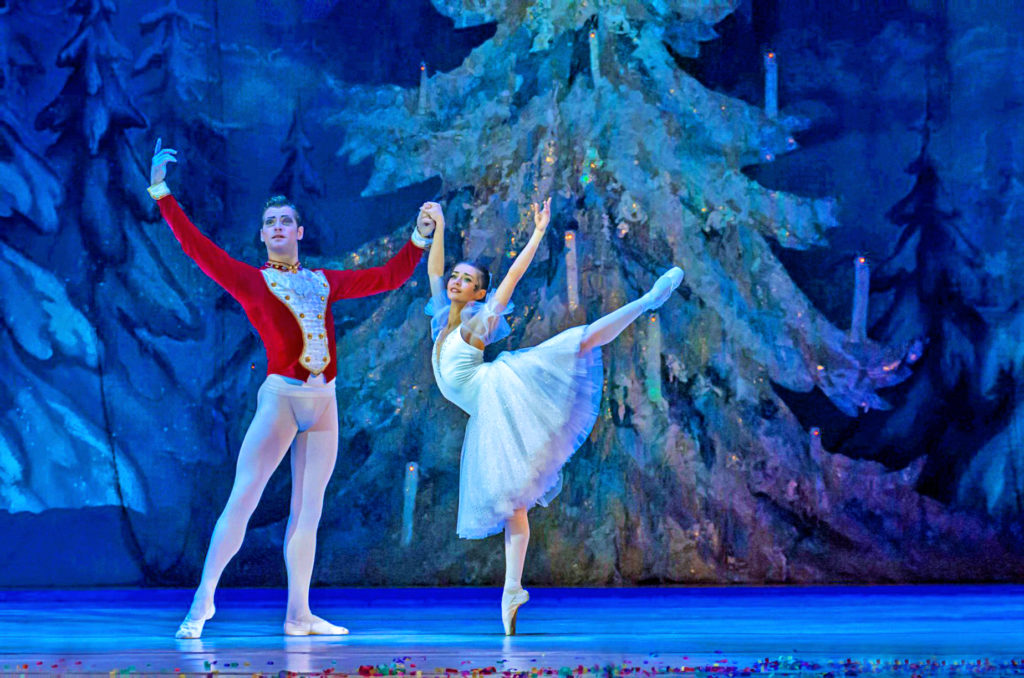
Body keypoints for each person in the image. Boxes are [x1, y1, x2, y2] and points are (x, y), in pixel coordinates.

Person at [147, 139, 435, 639]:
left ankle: (298, 614)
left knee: (309, 510)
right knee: (244, 498)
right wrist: (160, 191)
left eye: (286, 221)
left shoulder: (324, 280)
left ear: (299, 231)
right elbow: (196, 246)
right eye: (270, 223)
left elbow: (387, 277)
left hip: (324, 404)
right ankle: (202, 602)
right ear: (262, 237)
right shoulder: (251, 280)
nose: (278, 228)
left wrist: (420, 235)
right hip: (281, 399)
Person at [420, 198, 683, 635]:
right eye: (457, 275)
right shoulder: (439, 320)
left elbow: (511, 278)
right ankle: (511, 590)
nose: (455, 280)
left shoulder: (476, 325)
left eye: (467, 279)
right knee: (514, 504)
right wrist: (441, 226)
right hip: (487, 413)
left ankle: (647, 300)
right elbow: (433, 270)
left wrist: (539, 233)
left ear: (478, 294)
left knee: (577, 343)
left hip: (502, 391)